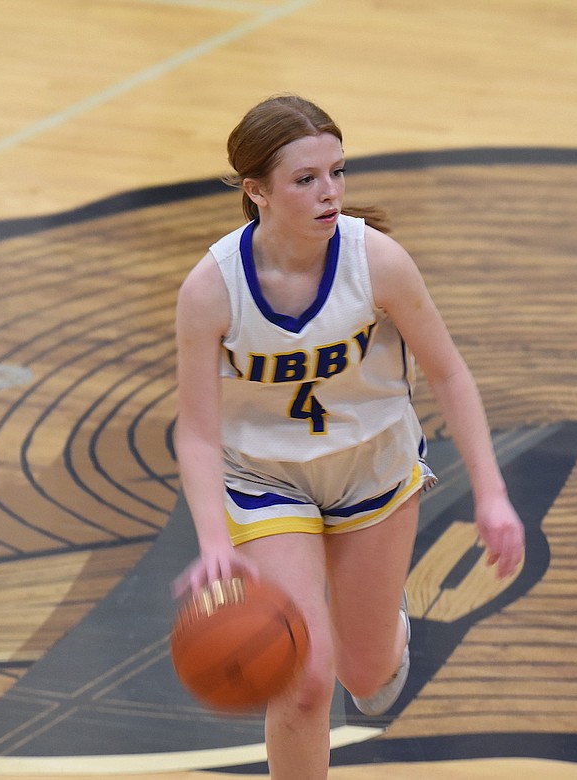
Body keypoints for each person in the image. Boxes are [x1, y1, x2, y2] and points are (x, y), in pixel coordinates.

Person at [172, 94, 524, 779]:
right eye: (306, 179)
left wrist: (492, 495)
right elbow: (197, 432)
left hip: (372, 471)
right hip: (267, 480)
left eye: (337, 172)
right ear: (257, 192)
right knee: (304, 678)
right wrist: (215, 541)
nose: (329, 193)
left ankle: (381, 628)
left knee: (366, 673)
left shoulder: (379, 262)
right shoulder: (210, 290)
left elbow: (449, 374)